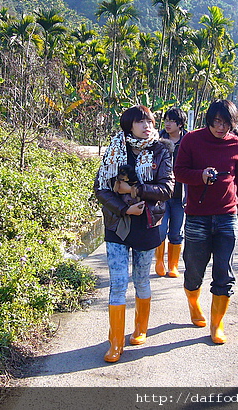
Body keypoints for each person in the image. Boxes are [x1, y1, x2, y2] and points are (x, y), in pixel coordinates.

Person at [94, 104, 174, 362]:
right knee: (118, 283)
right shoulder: (115, 149)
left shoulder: (161, 150)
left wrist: (134, 192)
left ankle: (140, 328)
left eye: (149, 121)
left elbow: (167, 189)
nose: (147, 125)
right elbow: (101, 189)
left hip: (148, 223)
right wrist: (124, 210)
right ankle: (115, 342)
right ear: (129, 125)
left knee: (141, 279)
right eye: (140, 122)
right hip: (118, 224)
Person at [174, 99, 238, 344]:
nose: (221, 127)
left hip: (227, 217)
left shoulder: (237, 144)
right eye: (217, 122)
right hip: (197, 217)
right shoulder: (192, 140)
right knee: (194, 270)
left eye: (226, 123)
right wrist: (201, 176)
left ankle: (217, 325)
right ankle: (194, 303)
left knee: (224, 273)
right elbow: (179, 172)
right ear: (209, 120)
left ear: (232, 124)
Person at [155, 107, 188, 278]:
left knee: (176, 232)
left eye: (171, 121)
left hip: (180, 195)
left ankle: (173, 265)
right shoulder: (158, 140)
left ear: (180, 124)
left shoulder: (188, 141)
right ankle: (159, 261)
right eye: (166, 120)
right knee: (160, 229)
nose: (167, 123)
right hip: (161, 194)